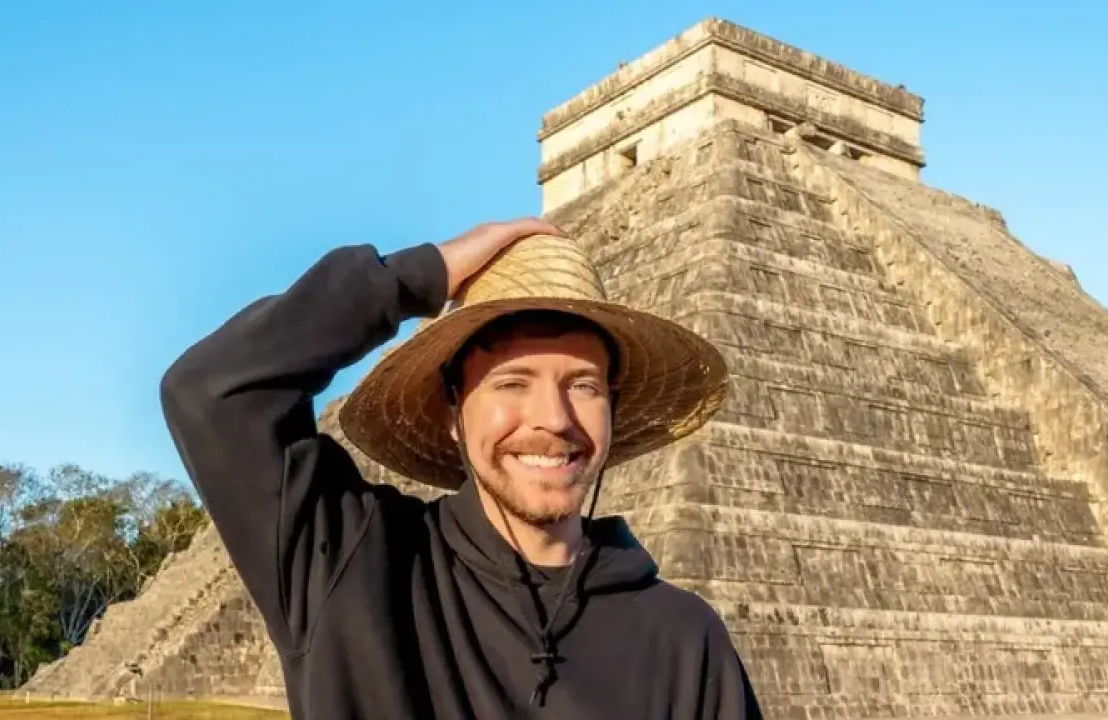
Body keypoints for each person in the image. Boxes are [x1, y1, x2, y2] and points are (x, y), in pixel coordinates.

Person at [160, 218, 763, 719]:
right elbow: (211, 392)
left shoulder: (685, 639)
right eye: (512, 382)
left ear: (612, 411)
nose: (553, 419)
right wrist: (417, 277)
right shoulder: (354, 566)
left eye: (584, 385)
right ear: (452, 410)